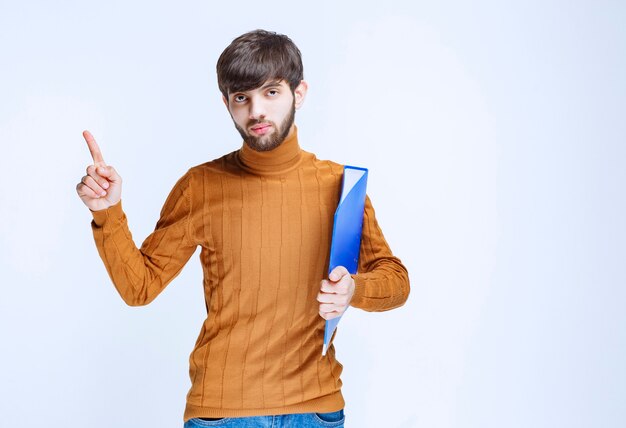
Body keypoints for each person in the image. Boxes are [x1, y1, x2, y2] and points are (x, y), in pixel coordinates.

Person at [76, 29, 410, 428]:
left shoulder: (341, 186)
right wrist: (108, 212)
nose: (256, 112)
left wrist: (355, 289)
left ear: (298, 93)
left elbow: (396, 281)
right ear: (227, 103)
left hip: (316, 410)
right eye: (242, 97)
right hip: (222, 413)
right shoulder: (200, 186)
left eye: (271, 93)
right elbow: (140, 287)